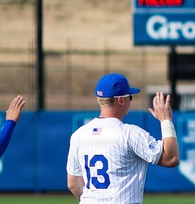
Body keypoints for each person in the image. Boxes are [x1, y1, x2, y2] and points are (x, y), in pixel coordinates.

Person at [66, 73, 179, 203]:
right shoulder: (129, 133)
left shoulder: (78, 135)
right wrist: (166, 120)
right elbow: (171, 158)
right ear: (121, 100)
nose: (131, 100)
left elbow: (73, 184)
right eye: (130, 97)